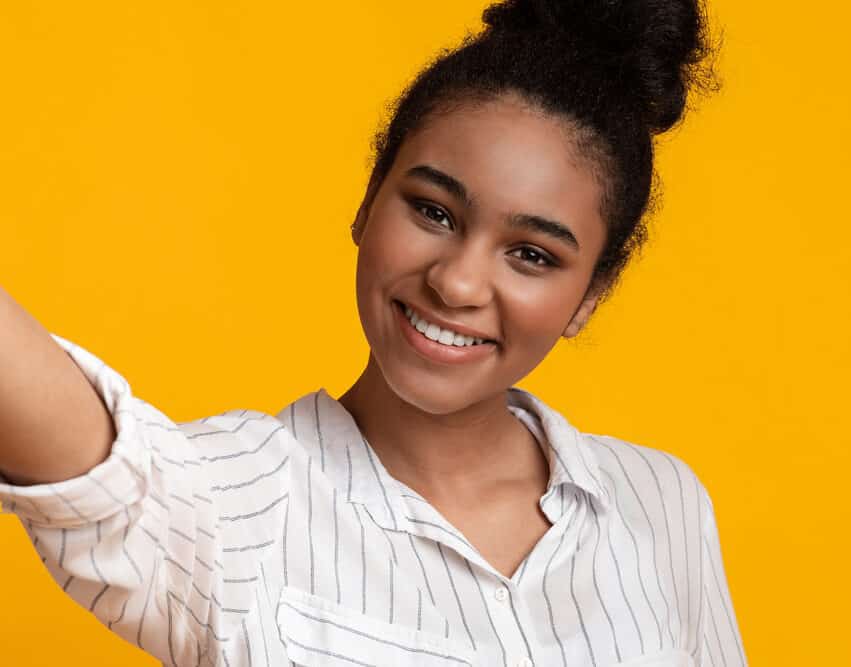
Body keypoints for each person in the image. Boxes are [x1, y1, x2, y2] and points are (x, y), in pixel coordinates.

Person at [0, 0, 746, 665]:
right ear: (368, 202)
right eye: (433, 211)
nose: (455, 282)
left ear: (591, 295)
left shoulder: (662, 502)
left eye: (532, 254)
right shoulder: (239, 506)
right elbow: (96, 469)